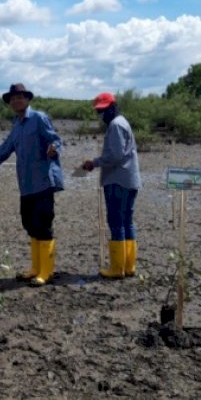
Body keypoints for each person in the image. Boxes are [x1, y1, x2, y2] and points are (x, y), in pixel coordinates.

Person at [0, 83, 64, 287]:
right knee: (30, 225)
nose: (16, 101)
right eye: (13, 98)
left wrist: (53, 148)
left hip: (43, 182)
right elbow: (5, 148)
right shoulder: (17, 125)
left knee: (43, 225)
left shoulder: (39, 118)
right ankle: (35, 268)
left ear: (27, 99)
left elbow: (56, 140)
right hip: (26, 184)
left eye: (20, 97)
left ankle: (46, 272)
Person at [82, 92, 141, 279]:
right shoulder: (123, 122)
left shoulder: (115, 125)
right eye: (99, 111)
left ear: (112, 107)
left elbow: (115, 155)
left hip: (117, 180)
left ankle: (117, 269)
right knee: (126, 221)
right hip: (130, 179)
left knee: (116, 222)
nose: (101, 115)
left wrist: (94, 162)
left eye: (104, 110)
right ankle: (128, 267)